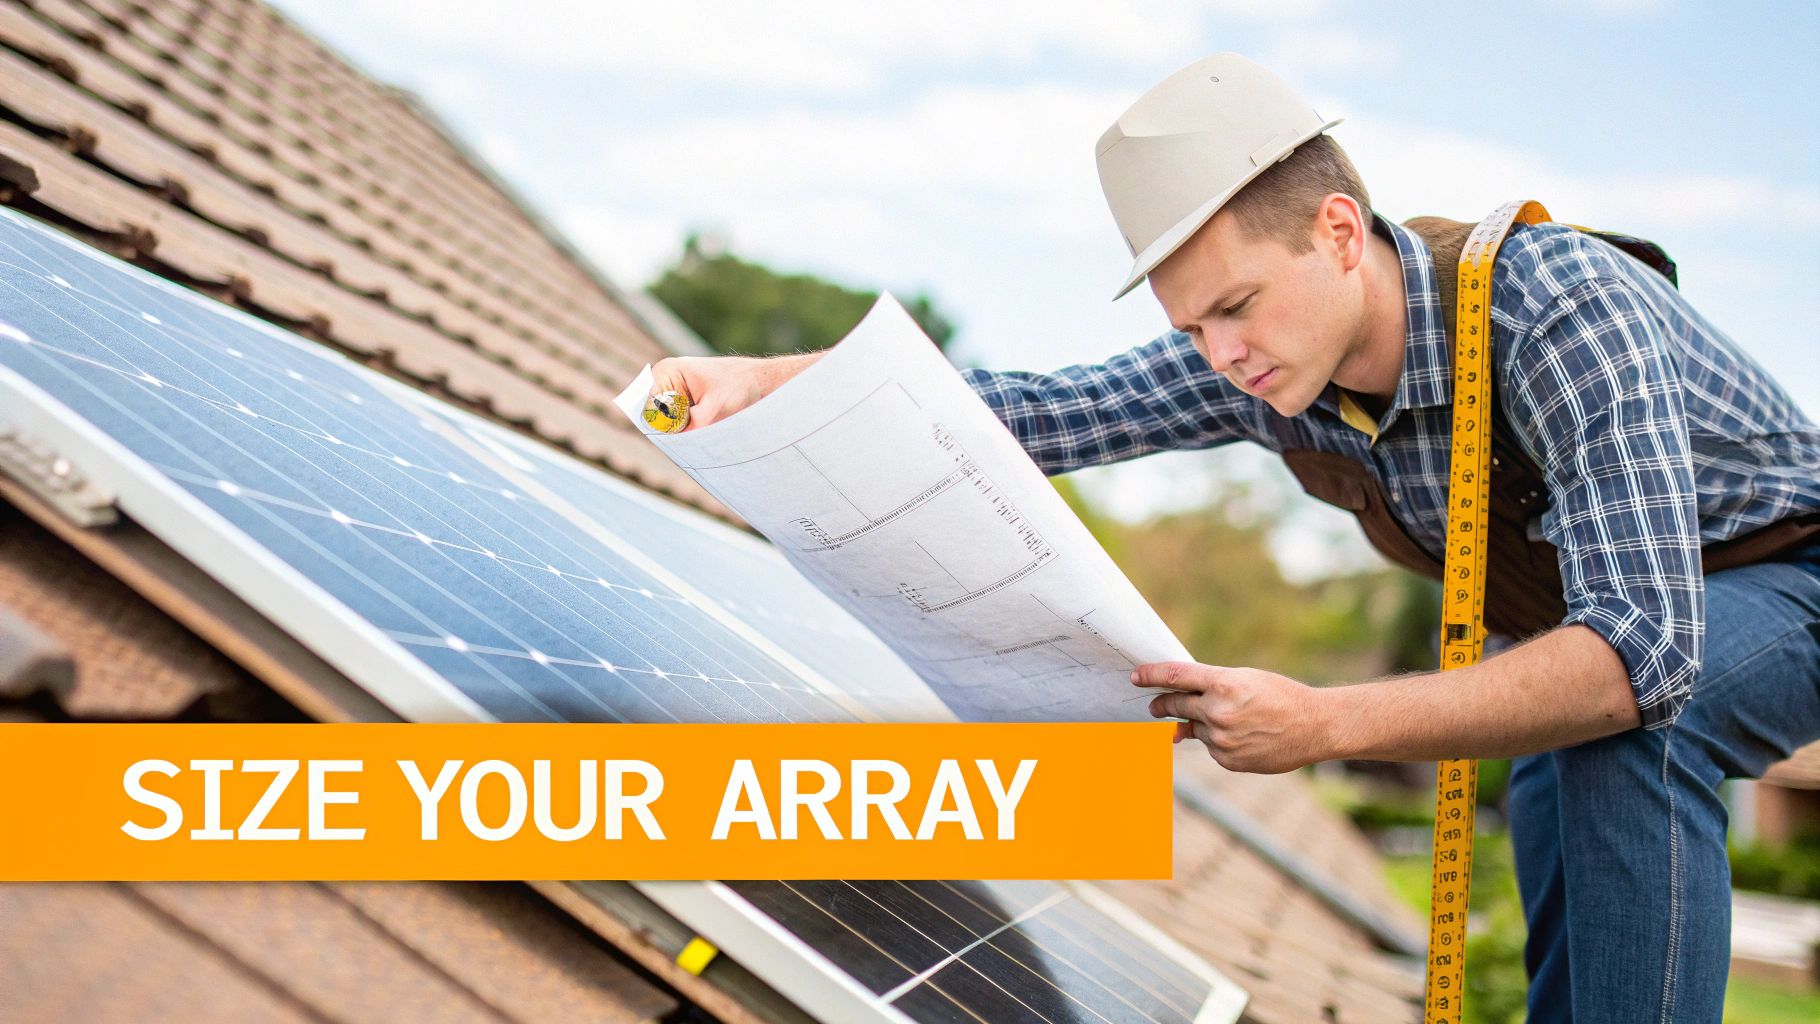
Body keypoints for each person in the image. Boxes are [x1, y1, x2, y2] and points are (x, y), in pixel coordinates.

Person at [646, 54, 1820, 1022]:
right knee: (1556, 778)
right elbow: (1034, 410)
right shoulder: (1263, 366)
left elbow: (1639, 654)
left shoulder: (1555, 306)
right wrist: (771, 381)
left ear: (1338, 231)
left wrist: (1321, 721)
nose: (1218, 352)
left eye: (1235, 305)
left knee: (1621, 737)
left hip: (1787, 574)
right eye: (1190, 324)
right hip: (1610, 621)